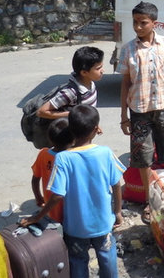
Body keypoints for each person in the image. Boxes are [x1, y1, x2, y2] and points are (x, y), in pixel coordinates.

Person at [20, 105, 125, 278]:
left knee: (77, 262)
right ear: (96, 129)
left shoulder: (63, 159)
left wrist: (37, 217)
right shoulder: (105, 152)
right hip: (103, 223)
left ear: (72, 129)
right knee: (107, 259)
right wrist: (118, 212)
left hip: (76, 228)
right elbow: (116, 184)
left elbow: (57, 196)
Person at [119, 1, 164, 223]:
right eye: (135, 22)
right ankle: (150, 201)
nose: (138, 27)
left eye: (143, 23)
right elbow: (125, 83)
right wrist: (123, 116)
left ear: (154, 23)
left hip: (163, 109)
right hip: (139, 112)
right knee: (144, 159)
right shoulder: (128, 49)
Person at [36, 46, 104, 121]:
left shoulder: (91, 84)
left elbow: (91, 111)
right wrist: (72, 114)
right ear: (84, 72)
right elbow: (41, 112)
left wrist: (94, 125)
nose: (102, 71)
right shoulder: (70, 92)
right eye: (98, 68)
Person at [30, 118, 74, 223]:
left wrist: (38, 197)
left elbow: (35, 179)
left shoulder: (43, 154)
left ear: (49, 139)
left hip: (50, 208)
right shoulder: (72, 158)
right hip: (72, 210)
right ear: (73, 140)